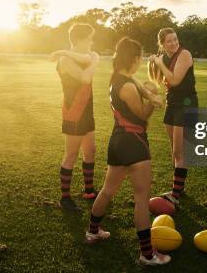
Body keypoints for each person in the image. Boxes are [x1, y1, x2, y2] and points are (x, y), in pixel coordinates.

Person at [85, 36, 171, 266]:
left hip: (118, 141)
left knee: (107, 190)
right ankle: (147, 254)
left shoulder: (119, 79)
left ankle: (93, 231)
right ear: (133, 58)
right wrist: (153, 102)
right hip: (133, 141)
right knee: (142, 198)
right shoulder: (128, 86)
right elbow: (142, 115)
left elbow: (142, 88)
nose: (140, 61)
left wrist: (150, 92)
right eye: (139, 58)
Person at [49, 23, 99, 212]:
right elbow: (85, 78)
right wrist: (95, 60)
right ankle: (65, 198)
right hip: (74, 111)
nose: (92, 42)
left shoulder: (80, 57)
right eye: (89, 38)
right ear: (78, 40)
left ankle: (89, 190)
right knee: (71, 154)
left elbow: (87, 58)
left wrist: (92, 57)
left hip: (87, 110)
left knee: (91, 150)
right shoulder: (65, 61)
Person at [148, 28, 198, 207]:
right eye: (169, 41)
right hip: (172, 104)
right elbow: (158, 79)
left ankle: (175, 194)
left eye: (175, 39)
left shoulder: (184, 54)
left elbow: (175, 80)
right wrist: (154, 62)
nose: (174, 43)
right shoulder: (165, 58)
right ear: (162, 43)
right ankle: (179, 188)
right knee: (175, 151)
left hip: (186, 105)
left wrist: (160, 63)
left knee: (179, 151)